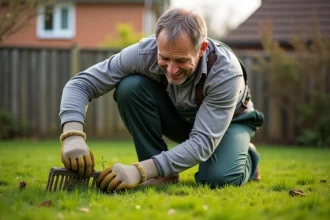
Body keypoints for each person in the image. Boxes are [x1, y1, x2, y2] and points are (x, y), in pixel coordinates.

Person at [59, 7, 264, 192]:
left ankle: (248, 157)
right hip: (179, 117)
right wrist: (72, 136)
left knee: (217, 179)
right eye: (164, 58)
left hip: (230, 123)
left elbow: (202, 142)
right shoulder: (143, 52)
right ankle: (161, 175)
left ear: (201, 49)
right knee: (129, 87)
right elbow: (81, 84)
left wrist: (139, 171)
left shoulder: (226, 73)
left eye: (181, 60)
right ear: (157, 43)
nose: (172, 70)